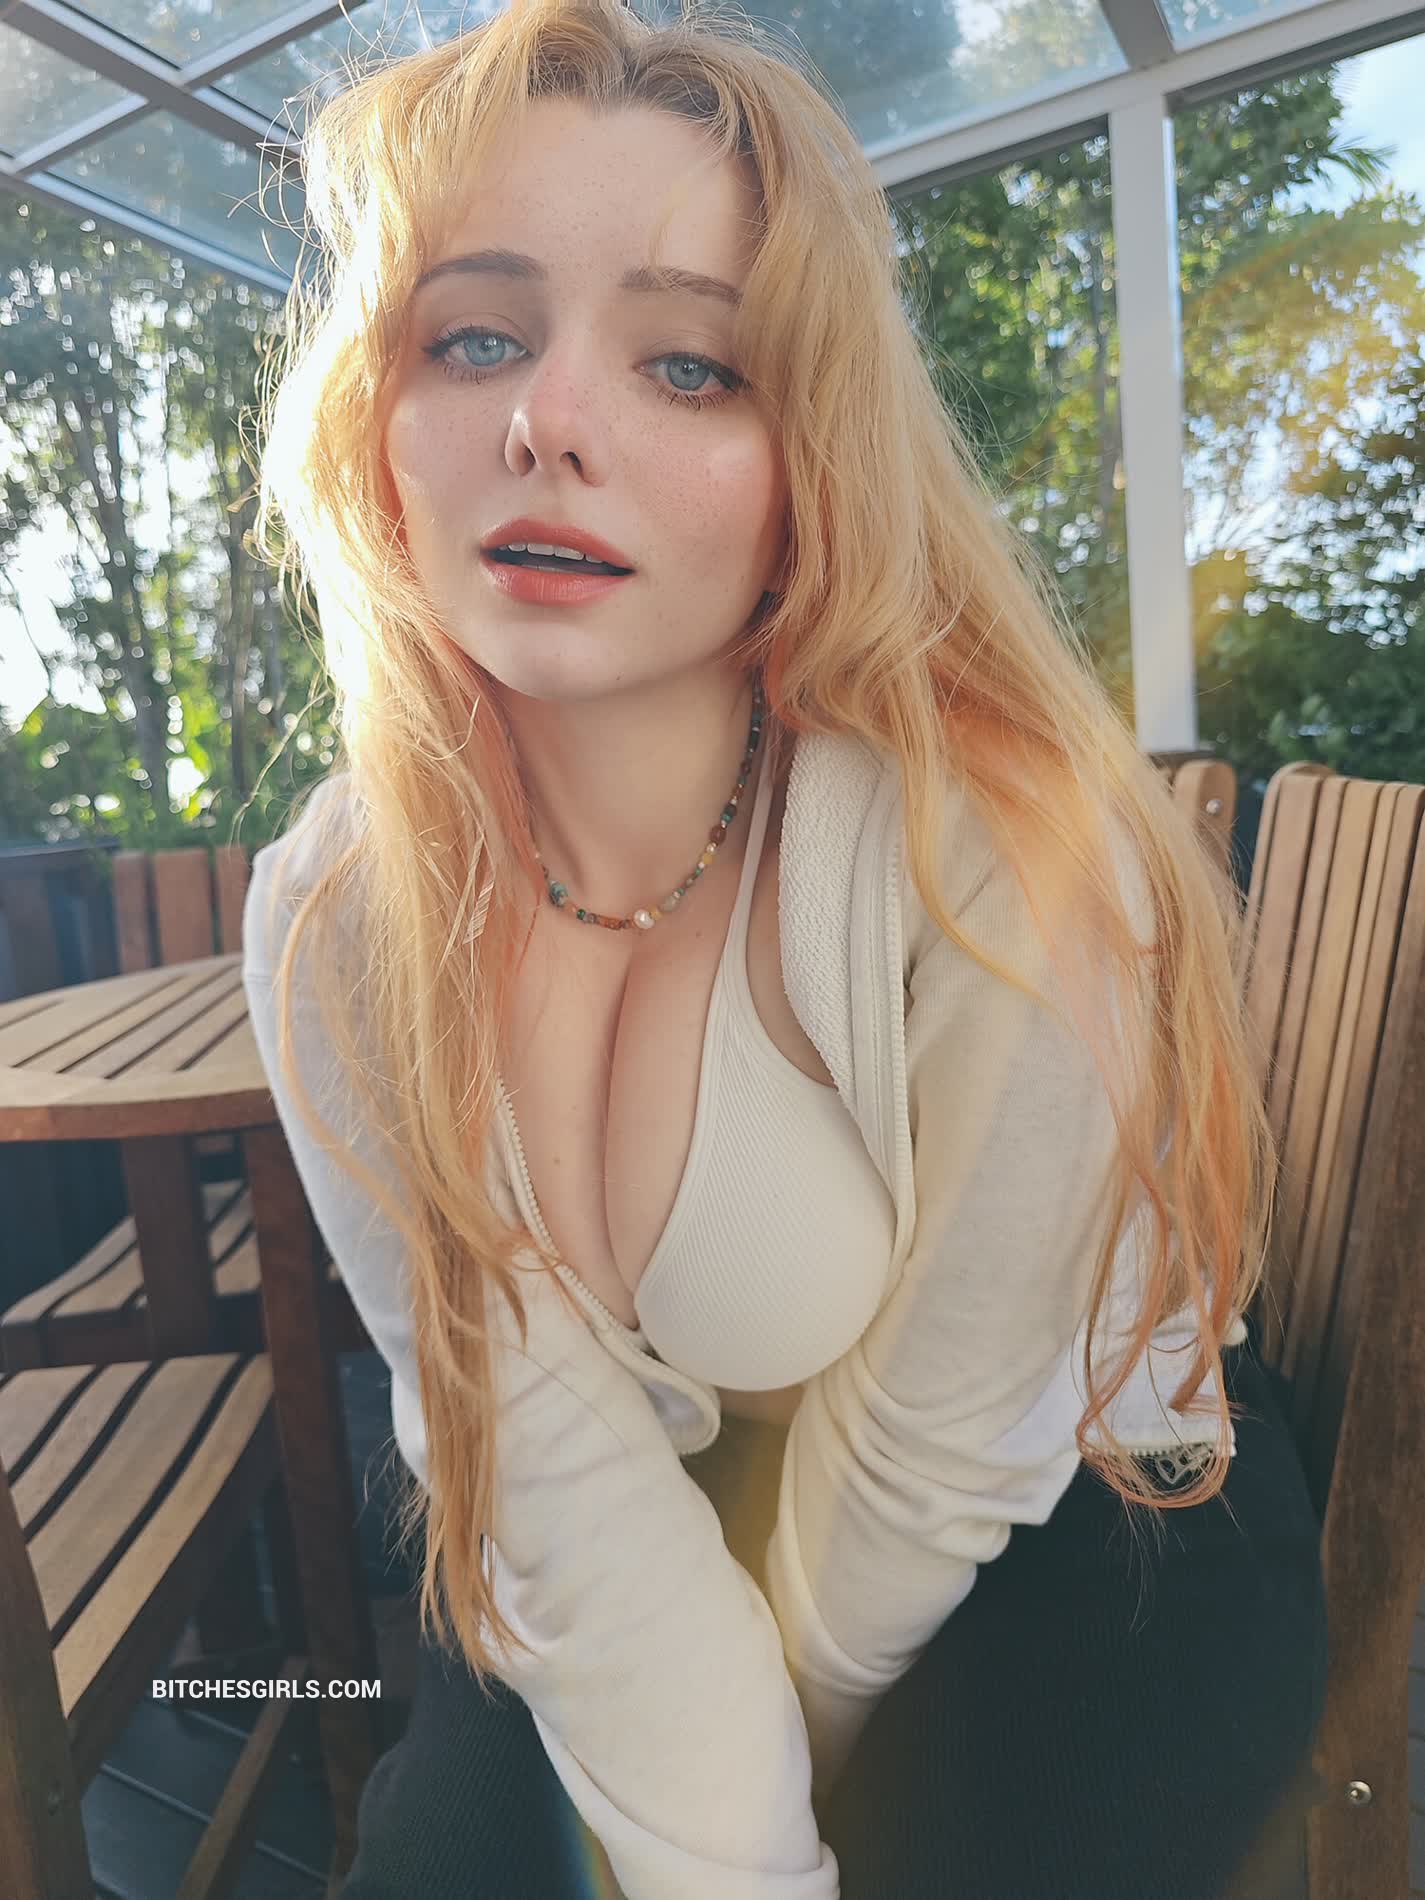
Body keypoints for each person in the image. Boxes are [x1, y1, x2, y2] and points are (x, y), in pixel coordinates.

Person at [239, 3, 1328, 1894]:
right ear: (372, 417)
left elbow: (935, 1455)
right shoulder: (340, 908)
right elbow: (540, 1464)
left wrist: (756, 1840)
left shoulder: (993, 839)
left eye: (689, 365)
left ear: (811, 449)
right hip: (649, 1521)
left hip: (1083, 1495)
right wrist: (707, 1830)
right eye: (474, 336)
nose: (547, 421)